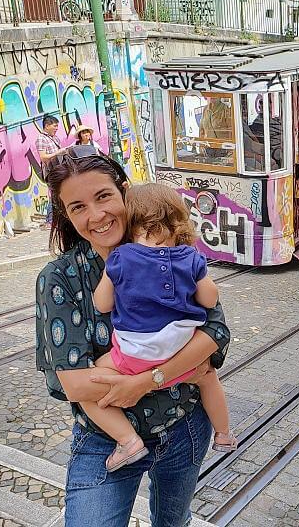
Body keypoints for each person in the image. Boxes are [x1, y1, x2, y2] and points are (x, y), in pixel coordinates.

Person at [35, 146, 230, 526]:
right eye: (78, 207)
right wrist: (181, 369)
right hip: (103, 440)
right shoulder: (60, 278)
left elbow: (215, 334)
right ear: (66, 215)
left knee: (174, 522)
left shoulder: (171, 251)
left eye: (104, 196)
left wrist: (144, 381)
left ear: (124, 192)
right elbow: (72, 384)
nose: (96, 215)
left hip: (183, 425)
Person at [88, 183, 236, 471]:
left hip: (135, 354)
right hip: (183, 349)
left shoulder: (121, 257)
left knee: (91, 381)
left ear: (130, 225)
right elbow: (209, 298)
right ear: (176, 221)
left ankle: (128, 441)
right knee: (208, 378)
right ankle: (224, 434)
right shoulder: (191, 257)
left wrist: (110, 271)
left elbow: (102, 304)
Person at [35, 114, 66, 229]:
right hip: (50, 171)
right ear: (47, 126)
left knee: (59, 194)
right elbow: (43, 157)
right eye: (55, 126)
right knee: (54, 194)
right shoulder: (41, 139)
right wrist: (59, 152)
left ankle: (56, 219)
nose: (57, 128)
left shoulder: (54, 138)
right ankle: (50, 220)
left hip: (59, 169)